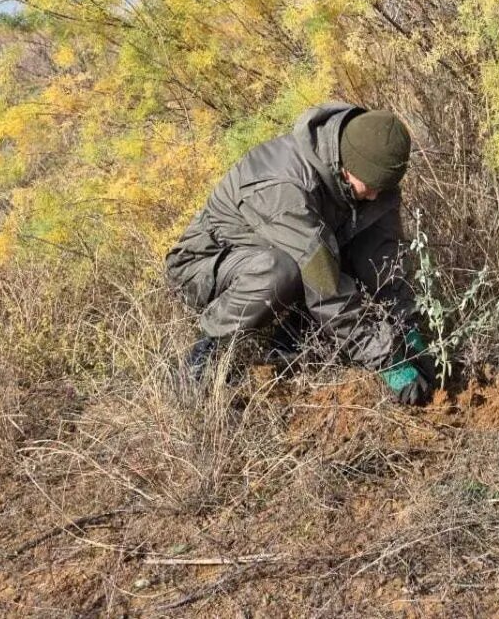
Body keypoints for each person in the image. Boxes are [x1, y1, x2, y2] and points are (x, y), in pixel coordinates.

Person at [165, 103, 435, 405]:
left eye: (381, 188)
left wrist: (408, 329)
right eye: (370, 186)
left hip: (279, 252)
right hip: (205, 264)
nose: (374, 195)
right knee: (284, 270)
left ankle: (283, 346)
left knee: (336, 256)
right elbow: (325, 285)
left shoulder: (372, 178)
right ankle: (204, 359)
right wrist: (387, 361)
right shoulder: (287, 187)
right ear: (347, 167)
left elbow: (384, 260)